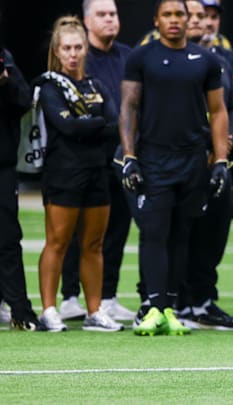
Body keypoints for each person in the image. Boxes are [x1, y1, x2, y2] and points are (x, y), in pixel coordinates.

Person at [119, 0, 229, 336]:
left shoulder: (206, 60)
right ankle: (151, 308)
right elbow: (128, 107)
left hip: (193, 160)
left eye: (180, 14)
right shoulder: (141, 57)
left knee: (182, 235)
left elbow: (219, 111)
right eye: (167, 14)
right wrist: (129, 156)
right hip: (153, 159)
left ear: (189, 19)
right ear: (156, 20)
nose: (174, 20)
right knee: (154, 233)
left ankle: (170, 306)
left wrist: (220, 160)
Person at [37, 16, 123, 332]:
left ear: (85, 49)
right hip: (63, 173)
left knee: (94, 244)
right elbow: (67, 127)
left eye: (77, 47)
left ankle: (94, 311)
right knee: (57, 242)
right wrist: (95, 122)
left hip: (97, 172)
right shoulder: (48, 85)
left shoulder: (96, 85)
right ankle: (48, 310)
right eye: (67, 48)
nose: (73, 54)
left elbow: (115, 125)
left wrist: (90, 125)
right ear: (57, 52)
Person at [58, 0, 135, 323]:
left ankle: (108, 296)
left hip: (121, 155)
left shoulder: (129, 56)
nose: (109, 20)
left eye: (113, 14)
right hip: (85, 156)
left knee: (116, 229)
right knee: (75, 232)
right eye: (102, 14)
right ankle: (70, 297)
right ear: (87, 21)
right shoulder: (77, 56)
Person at [172, 0, 233, 331]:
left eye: (204, 16)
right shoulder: (164, 58)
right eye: (193, 15)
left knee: (215, 230)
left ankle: (203, 299)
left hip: (218, 160)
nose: (199, 21)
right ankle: (177, 298)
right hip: (182, 157)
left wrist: (224, 142)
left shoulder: (220, 60)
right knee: (181, 229)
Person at [0, 45, 46, 331]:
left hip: (1, 166)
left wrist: (4, 80)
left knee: (7, 238)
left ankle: (20, 309)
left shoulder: (4, 56)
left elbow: (24, 101)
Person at [199, 0, 233, 108]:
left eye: (214, 17)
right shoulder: (181, 54)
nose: (209, 23)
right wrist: (229, 88)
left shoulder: (231, 58)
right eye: (204, 16)